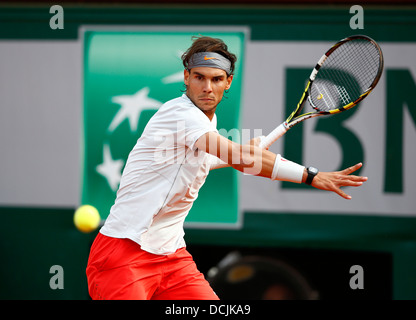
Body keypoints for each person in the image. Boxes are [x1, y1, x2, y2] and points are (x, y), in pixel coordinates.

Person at [86, 36, 368, 300]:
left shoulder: (205, 122)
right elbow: (243, 160)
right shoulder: (179, 114)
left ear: (228, 82)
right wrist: (310, 175)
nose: (207, 87)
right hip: (122, 256)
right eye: (199, 77)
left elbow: (212, 160)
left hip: (171, 257)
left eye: (216, 79)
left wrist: (243, 151)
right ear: (187, 77)